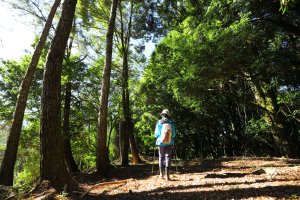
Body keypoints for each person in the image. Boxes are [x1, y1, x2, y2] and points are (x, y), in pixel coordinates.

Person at [154, 109, 176, 180]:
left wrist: (159, 138)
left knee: (161, 157)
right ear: (169, 115)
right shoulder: (172, 123)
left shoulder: (159, 122)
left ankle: (161, 175)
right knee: (168, 157)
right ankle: (168, 176)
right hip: (170, 142)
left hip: (161, 142)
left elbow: (156, 134)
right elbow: (174, 134)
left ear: (162, 114)